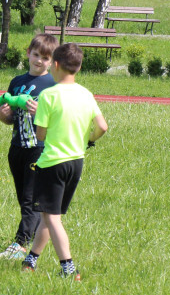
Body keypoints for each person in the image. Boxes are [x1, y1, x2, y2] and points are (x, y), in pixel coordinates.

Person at [22, 43, 108, 281]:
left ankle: (69, 268)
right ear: (78, 67)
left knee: (52, 218)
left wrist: (36, 115)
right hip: (76, 163)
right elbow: (102, 126)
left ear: (56, 65)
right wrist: (89, 140)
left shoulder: (48, 95)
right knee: (50, 214)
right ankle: (31, 260)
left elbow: (41, 135)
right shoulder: (86, 94)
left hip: (52, 164)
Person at [0, 33, 57, 261]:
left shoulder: (52, 85)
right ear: (28, 52)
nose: (39, 61)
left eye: (45, 58)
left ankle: (20, 245)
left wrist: (39, 112)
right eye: (36, 55)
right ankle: (36, 233)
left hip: (38, 148)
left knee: (31, 199)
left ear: (52, 62)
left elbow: (58, 120)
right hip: (17, 147)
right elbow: (9, 118)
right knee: (24, 199)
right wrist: (2, 114)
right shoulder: (17, 82)